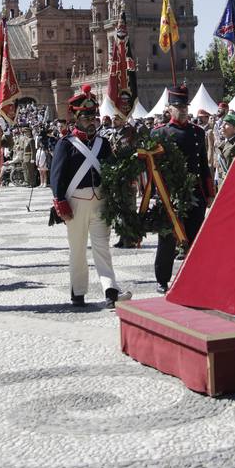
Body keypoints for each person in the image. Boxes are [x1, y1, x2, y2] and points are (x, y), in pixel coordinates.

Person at [49, 84, 132, 309]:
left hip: (100, 202)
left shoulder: (103, 143)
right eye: (85, 116)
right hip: (75, 203)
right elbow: (56, 177)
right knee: (77, 249)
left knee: (102, 248)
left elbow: (111, 169)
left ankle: (110, 290)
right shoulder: (65, 145)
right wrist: (60, 202)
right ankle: (78, 292)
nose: (90, 119)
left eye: (92, 115)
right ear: (75, 117)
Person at [151, 85, 214, 294]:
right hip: (170, 194)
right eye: (178, 106)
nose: (183, 110)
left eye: (185, 106)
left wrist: (209, 192)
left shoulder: (197, 132)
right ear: (169, 108)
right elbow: (153, 168)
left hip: (195, 193)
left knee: (196, 238)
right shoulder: (159, 133)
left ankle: (195, 277)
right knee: (168, 239)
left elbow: (203, 165)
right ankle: (162, 279)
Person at [215, 112, 235, 180]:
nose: (222, 126)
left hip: (233, 181)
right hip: (221, 182)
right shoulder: (222, 143)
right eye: (222, 123)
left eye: (226, 124)